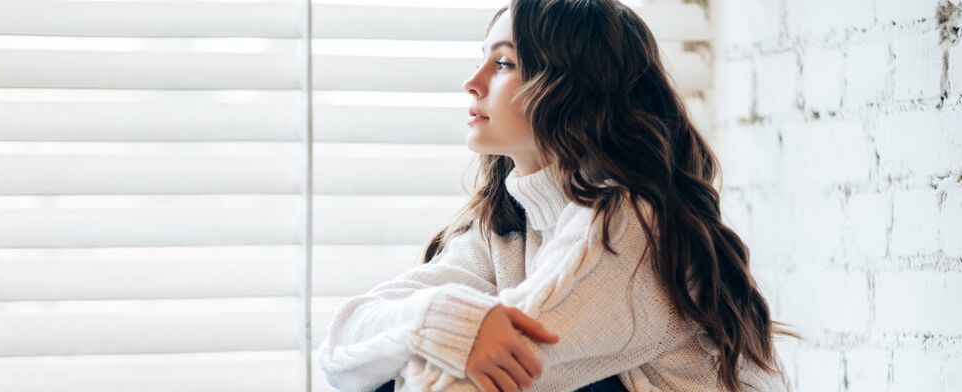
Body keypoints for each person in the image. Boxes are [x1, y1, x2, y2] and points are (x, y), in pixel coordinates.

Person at [317, 1, 793, 391]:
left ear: (572, 88)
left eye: (503, 63)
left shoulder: (630, 225)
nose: (473, 81)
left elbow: (467, 383)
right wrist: (436, 317)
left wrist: (437, 341)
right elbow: (340, 346)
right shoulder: (504, 231)